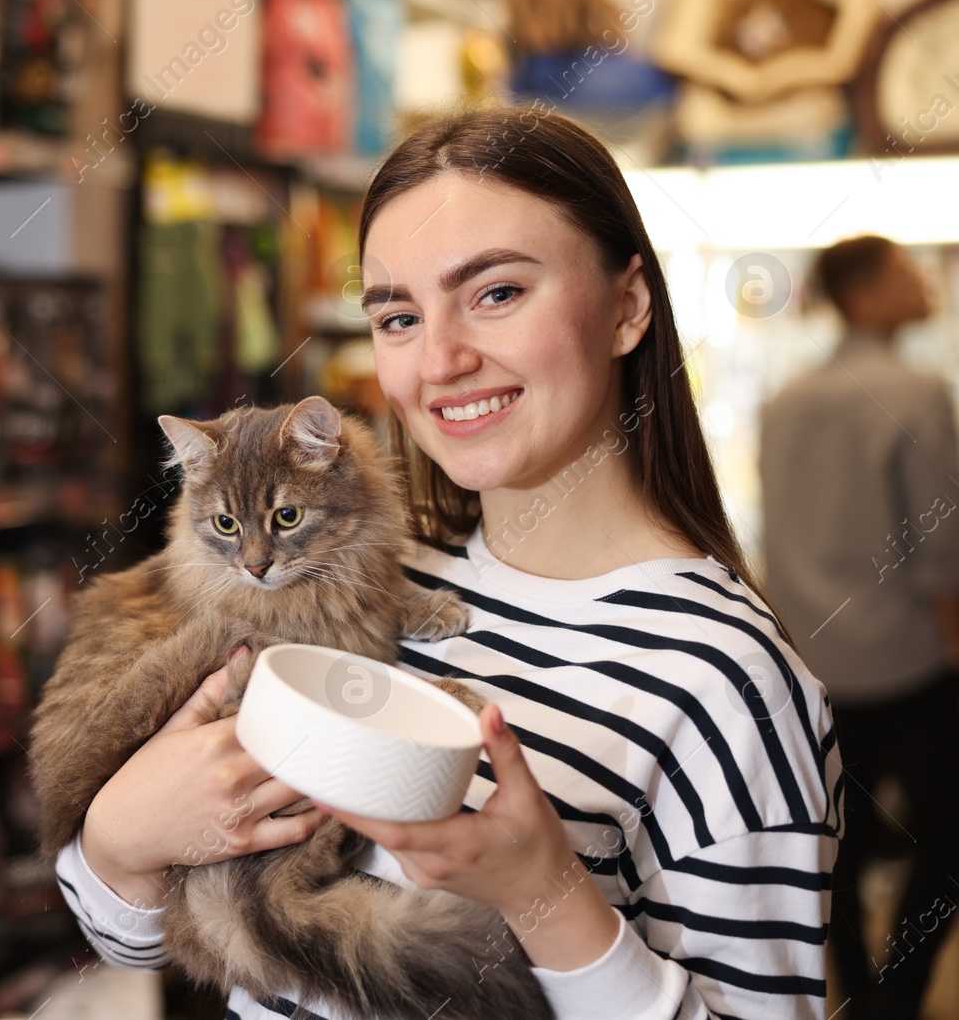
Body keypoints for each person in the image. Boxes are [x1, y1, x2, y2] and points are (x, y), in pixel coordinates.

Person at [51, 107, 841, 1020]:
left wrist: (546, 891)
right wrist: (119, 838)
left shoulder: (728, 680)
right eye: (397, 314)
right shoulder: (356, 576)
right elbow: (147, 940)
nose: (441, 360)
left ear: (627, 306)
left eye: (496, 292)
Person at [759, 235, 959, 1020]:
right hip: (907, 659)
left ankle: (853, 986)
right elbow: (943, 549)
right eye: (904, 271)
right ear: (864, 295)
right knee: (947, 839)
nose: (922, 281)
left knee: (828, 842)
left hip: (813, 663)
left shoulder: (785, 399)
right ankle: (899, 994)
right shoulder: (916, 392)